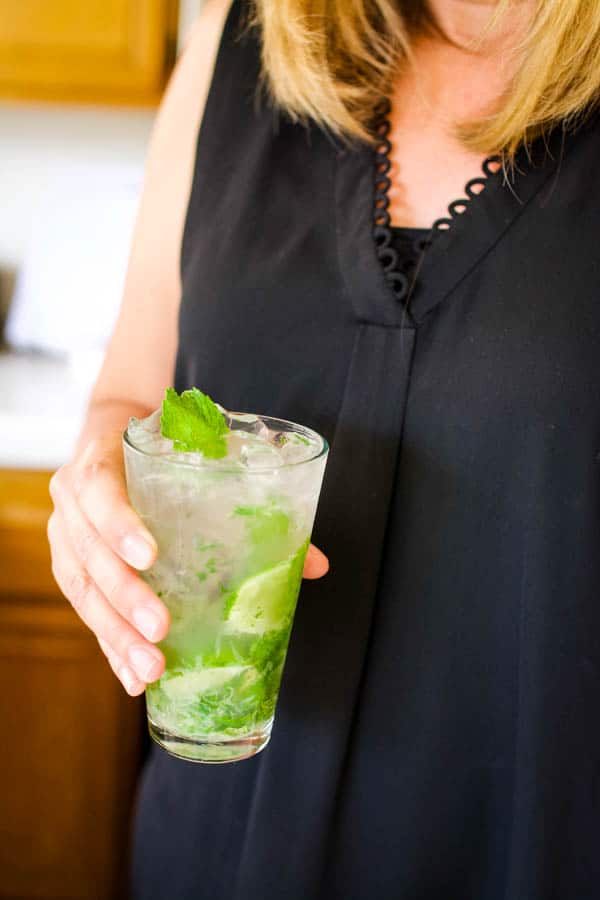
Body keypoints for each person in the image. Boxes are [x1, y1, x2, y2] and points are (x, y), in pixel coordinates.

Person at [47, 0, 600, 897]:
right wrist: (95, 495)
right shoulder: (236, 37)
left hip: (528, 844)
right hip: (220, 828)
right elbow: (132, 397)